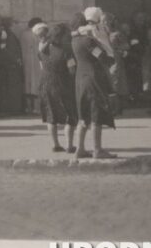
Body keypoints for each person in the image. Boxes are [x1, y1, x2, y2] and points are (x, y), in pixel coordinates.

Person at [71, 11, 116, 159]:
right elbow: (102, 58)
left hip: (80, 78)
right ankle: (97, 149)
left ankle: (80, 149)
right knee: (96, 112)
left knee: (83, 114)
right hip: (93, 78)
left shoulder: (74, 41)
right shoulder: (88, 41)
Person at [36, 23, 77, 153]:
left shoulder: (43, 49)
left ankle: (55, 144)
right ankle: (70, 145)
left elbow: (42, 67)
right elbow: (72, 70)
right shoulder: (67, 51)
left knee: (51, 114)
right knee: (70, 115)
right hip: (62, 84)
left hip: (45, 84)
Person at [102, 12, 130, 116]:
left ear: (110, 21)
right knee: (110, 84)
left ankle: (117, 109)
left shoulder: (117, 33)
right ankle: (112, 107)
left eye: (105, 20)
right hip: (106, 61)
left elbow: (126, 46)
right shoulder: (102, 34)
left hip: (115, 61)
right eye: (102, 21)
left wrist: (118, 49)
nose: (104, 23)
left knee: (116, 84)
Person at [21, 17, 45, 114]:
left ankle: (28, 107)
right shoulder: (37, 34)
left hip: (26, 61)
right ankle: (37, 108)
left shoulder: (23, 34)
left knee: (28, 84)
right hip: (36, 61)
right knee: (36, 84)